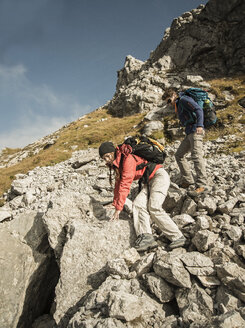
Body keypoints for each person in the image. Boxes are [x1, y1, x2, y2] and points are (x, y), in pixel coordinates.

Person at [98, 141, 186, 251]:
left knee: (154, 207)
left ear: (113, 152)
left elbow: (125, 183)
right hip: (148, 181)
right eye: (103, 158)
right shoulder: (118, 164)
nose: (106, 160)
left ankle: (178, 237)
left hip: (159, 176)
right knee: (138, 205)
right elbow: (118, 184)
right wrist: (115, 203)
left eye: (107, 156)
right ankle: (146, 236)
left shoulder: (127, 159)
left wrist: (119, 208)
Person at [165, 88, 207, 196]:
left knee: (196, 156)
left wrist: (200, 125)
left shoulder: (184, 99)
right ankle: (188, 180)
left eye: (169, 101)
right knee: (179, 155)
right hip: (189, 133)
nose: (169, 104)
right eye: (167, 103)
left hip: (196, 130)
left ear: (174, 95)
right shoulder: (179, 105)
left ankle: (202, 185)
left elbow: (198, 109)